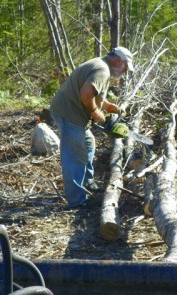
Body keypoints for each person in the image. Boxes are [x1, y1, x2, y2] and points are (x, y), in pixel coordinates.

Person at [50, 47, 134, 208]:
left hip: (69, 110)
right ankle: (77, 201)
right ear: (118, 61)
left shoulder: (99, 64)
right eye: (125, 68)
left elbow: (94, 94)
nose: (124, 72)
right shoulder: (102, 71)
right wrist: (95, 111)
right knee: (74, 156)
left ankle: (87, 182)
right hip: (69, 113)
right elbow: (86, 93)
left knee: (88, 143)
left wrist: (109, 107)